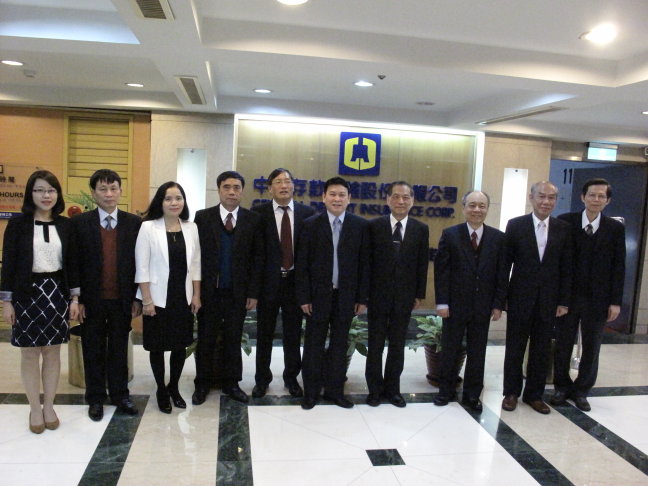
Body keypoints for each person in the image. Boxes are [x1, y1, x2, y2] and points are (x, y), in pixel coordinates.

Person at [1, 170, 79, 433]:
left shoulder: (66, 225)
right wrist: (7, 301)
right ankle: (35, 407)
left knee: (53, 351)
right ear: (30, 193)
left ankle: (49, 406)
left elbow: (73, 265)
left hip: (56, 293)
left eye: (51, 190)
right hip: (27, 293)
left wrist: (75, 298)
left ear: (57, 194)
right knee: (30, 353)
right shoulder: (18, 225)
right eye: (40, 190)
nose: (46, 196)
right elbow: (8, 265)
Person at [71, 169, 141, 421]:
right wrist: (76, 299)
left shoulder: (134, 223)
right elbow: (73, 263)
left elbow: (139, 265)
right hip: (92, 301)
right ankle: (96, 398)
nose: (109, 194)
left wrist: (137, 298)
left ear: (121, 191)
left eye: (113, 188)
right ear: (93, 193)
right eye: (103, 189)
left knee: (119, 349)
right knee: (93, 349)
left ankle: (120, 394)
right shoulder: (79, 224)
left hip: (122, 300)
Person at [551, 179, 625, 411]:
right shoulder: (565, 222)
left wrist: (615, 301)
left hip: (598, 299)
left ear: (608, 200)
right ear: (583, 197)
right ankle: (562, 387)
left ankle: (582, 390)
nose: (596, 200)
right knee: (563, 343)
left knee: (592, 346)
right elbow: (557, 262)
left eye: (601, 196)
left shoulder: (615, 228)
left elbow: (619, 266)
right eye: (592, 195)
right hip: (568, 298)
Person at [296, 176, 369, 410]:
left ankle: (335, 391)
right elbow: (303, 264)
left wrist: (361, 298)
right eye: (333, 194)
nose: (337, 199)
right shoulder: (310, 224)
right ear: (323, 197)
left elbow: (364, 266)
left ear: (349, 199)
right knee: (313, 345)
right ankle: (311, 392)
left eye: (342, 195)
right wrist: (304, 297)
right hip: (317, 297)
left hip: (346, 297)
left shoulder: (360, 226)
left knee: (339, 345)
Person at [433, 190, 507, 412]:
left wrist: (498, 304)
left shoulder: (498, 238)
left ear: (487, 209)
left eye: (481, 206)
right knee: (450, 349)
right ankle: (445, 390)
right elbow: (442, 272)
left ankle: (473, 395)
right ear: (464, 208)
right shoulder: (450, 234)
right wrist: (442, 303)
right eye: (472, 205)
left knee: (478, 352)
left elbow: (501, 274)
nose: (477, 210)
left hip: (483, 306)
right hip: (454, 305)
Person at [192, 171, 262, 405]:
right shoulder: (203, 217)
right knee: (206, 338)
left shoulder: (252, 219)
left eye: (236, 187)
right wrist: (196, 292)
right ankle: (202, 383)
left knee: (233, 339)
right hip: (209, 294)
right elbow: (196, 258)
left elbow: (257, 259)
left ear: (242, 191)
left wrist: (253, 292)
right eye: (227, 187)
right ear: (219, 190)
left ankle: (232, 382)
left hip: (238, 294)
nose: (232, 192)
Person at [502, 181, 572, 414]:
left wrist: (563, 301)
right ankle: (511, 392)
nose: (546, 202)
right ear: (531, 198)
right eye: (541, 196)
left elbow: (566, 268)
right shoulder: (516, 226)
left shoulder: (563, 228)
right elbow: (505, 265)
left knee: (542, 349)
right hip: (520, 297)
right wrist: (501, 300)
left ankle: (534, 394)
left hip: (549, 301)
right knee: (515, 347)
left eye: (551, 198)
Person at [135, 182, 201, 413]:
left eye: (178, 198)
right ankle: (161, 389)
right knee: (157, 347)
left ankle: (173, 387)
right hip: (157, 299)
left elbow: (196, 265)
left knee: (179, 346)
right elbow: (141, 267)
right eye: (168, 198)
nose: (174, 203)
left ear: (184, 201)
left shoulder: (191, 228)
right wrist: (147, 300)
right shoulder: (148, 228)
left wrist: (197, 295)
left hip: (182, 297)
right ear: (160, 202)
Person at [251, 168, 315, 399]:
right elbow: (255, 255)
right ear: (270, 188)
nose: (284, 185)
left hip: (295, 284)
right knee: (264, 333)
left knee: (292, 333)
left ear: (293, 186)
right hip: (268, 283)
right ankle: (262, 379)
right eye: (278, 182)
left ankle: (291, 378)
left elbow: (310, 256)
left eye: (288, 181)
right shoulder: (258, 214)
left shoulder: (308, 214)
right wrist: (253, 290)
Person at [365, 181, 429, 408]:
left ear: (412, 201)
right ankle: (374, 390)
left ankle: (393, 390)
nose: (401, 201)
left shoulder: (421, 229)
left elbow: (422, 264)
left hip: (404, 297)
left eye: (406, 197)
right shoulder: (373, 226)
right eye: (396, 197)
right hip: (377, 296)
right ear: (387, 200)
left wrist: (419, 294)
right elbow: (367, 265)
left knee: (397, 344)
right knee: (375, 345)